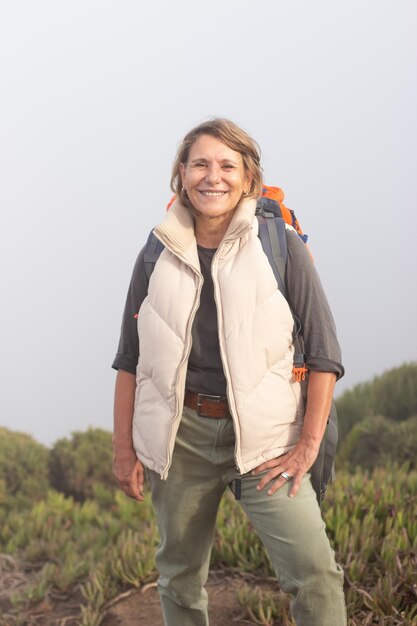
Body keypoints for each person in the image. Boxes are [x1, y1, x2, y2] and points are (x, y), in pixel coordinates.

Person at [112, 118, 347, 626]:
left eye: (226, 165)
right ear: (181, 173)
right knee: (178, 574)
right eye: (200, 163)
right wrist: (124, 448)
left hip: (267, 440)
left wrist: (307, 445)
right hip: (183, 438)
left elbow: (325, 353)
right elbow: (129, 358)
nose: (211, 176)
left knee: (316, 575)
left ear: (247, 178)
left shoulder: (281, 244)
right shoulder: (156, 250)